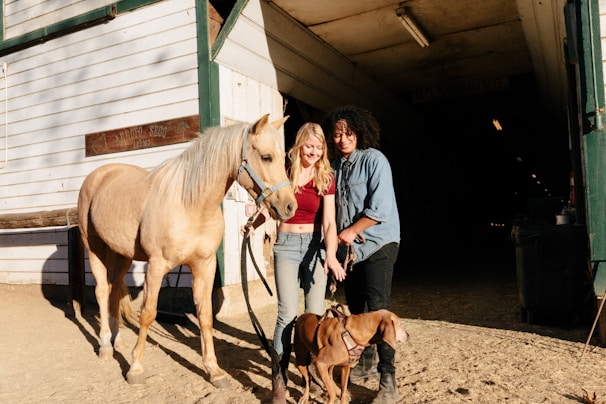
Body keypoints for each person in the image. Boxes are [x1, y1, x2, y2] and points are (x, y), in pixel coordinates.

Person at [248, 122, 346, 403]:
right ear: (299, 145)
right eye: (309, 146)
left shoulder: (326, 177)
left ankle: (313, 373)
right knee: (287, 314)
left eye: (319, 147)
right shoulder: (286, 172)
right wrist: (253, 225)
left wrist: (330, 253)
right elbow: (272, 208)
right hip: (287, 246)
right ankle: (279, 378)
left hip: (315, 246)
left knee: (313, 316)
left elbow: (329, 221)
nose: (314, 152)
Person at [321, 105, 401, 403]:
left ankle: (388, 380)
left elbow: (379, 209)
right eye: (337, 134)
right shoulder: (334, 167)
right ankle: (364, 363)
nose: (342, 139)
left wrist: (353, 230)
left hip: (379, 242)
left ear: (360, 132)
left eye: (348, 133)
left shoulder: (374, 160)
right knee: (355, 311)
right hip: (350, 250)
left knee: (379, 310)